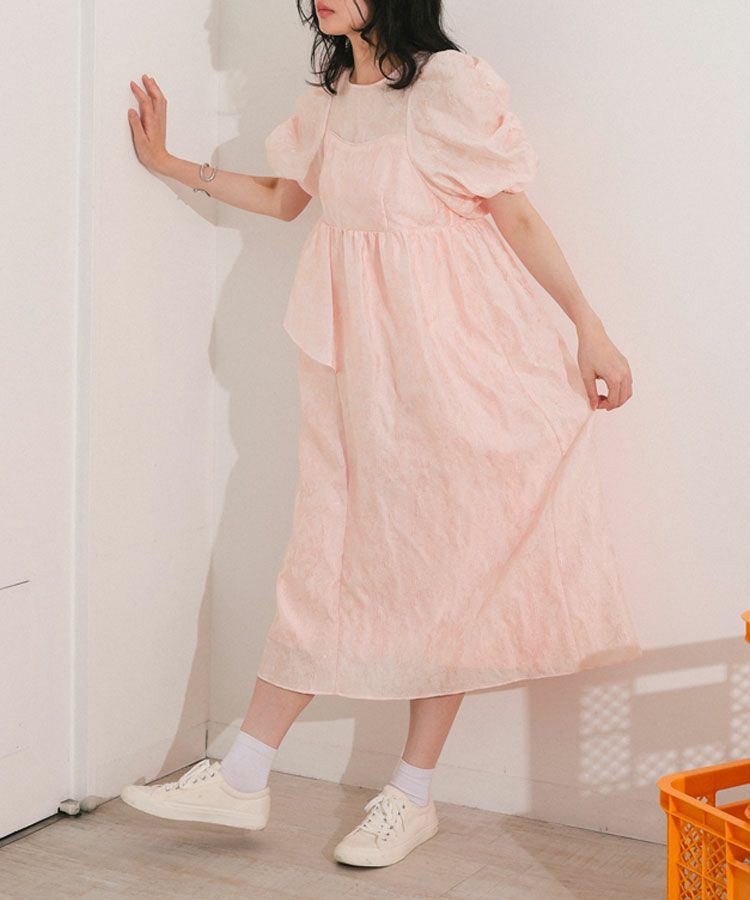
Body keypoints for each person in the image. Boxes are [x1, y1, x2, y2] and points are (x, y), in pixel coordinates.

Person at [120, 0, 642, 870]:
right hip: (356, 371)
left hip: (457, 364)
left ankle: (410, 793)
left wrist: (589, 326)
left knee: (449, 568)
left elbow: (514, 214)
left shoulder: (448, 86)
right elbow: (286, 198)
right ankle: (243, 774)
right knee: (327, 555)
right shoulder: (328, 99)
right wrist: (173, 165)